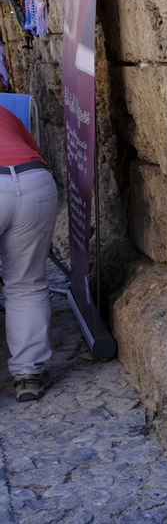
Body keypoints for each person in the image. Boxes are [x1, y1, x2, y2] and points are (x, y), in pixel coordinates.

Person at [0, 106, 59, 402]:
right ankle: (28, 374)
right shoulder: (4, 111)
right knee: (26, 283)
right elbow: (34, 151)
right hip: (34, 181)